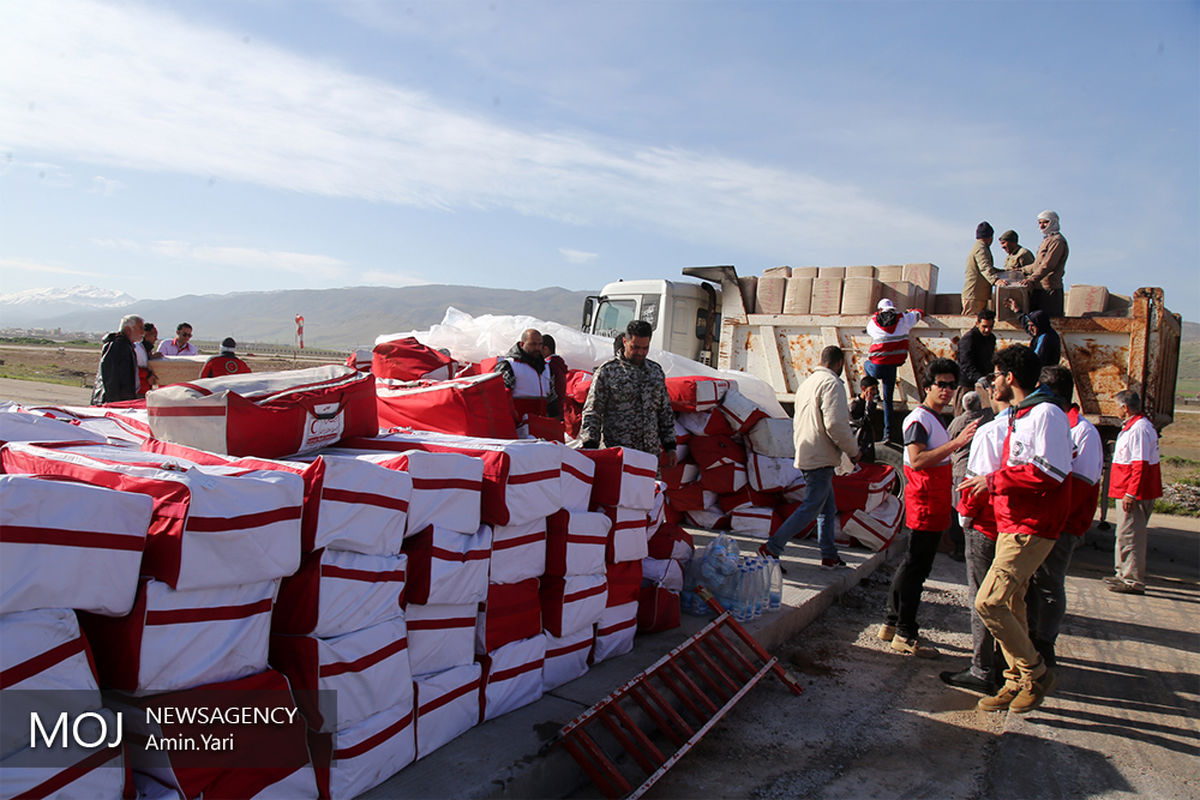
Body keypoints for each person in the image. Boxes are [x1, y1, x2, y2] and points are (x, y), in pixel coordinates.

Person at [960, 344, 1072, 714]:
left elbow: (1050, 473)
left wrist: (991, 482)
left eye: (995, 375)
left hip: (1032, 525)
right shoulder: (1018, 416)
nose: (991, 383)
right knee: (1011, 603)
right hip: (1012, 523)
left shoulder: (1047, 415)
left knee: (987, 601)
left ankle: (1035, 672)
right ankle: (1015, 681)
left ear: (1010, 377)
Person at [878, 358, 978, 657]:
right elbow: (918, 459)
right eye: (941, 385)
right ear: (928, 387)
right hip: (923, 503)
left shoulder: (933, 418)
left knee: (913, 565)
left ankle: (892, 623)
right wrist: (957, 443)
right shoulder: (919, 420)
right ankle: (905, 633)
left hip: (932, 503)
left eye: (951, 386)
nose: (946, 391)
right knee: (916, 570)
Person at [1025, 365, 1103, 666]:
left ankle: (1045, 643)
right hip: (1046, 521)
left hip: (1062, 524)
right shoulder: (1057, 425)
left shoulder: (1082, 432)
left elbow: (1082, 486)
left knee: (1049, 582)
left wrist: (1054, 519)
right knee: (1035, 581)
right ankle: (1033, 635)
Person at [759, 346, 860, 570]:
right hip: (820, 455)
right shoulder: (832, 384)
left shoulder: (807, 383)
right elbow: (835, 424)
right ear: (838, 364)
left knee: (826, 507)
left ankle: (829, 554)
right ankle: (772, 548)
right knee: (811, 507)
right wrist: (853, 451)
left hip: (808, 450)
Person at [942, 377, 1011, 693]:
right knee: (1007, 598)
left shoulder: (990, 431)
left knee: (980, 597)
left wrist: (963, 522)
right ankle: (1006, 663)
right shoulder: (1027, 428)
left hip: (984, 524)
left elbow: (972, 488)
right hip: (1010, 527)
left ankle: (982, 669)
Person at [580, 320, 677, 469]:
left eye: (645, 348)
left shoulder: (655, 372)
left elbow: (664, 412)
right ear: (625, 341)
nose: (640, 352)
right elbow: (593, 412)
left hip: (649, 457)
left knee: (649, 493)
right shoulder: (607, 372)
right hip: (618, 457)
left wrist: (670, 447)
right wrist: (590, 447)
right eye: (635, 347)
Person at [1105, 389, 1162, 595]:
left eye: (1118, 406)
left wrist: (1131, 493)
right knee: (1124, 533)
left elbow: (1140, 464)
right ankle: (1122, 573)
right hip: (1127, 489)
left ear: (1125, 408)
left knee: (1131, 535)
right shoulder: (1134, 427)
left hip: (1132, 492)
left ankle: (1132, 580)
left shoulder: (1139, 429)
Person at [945, 387, 994, 560]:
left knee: (959, 509)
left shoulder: (958, 422)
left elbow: (947, 441)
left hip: (960, 471)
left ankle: (959, 547)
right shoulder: (988, 418)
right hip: (980, 472)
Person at [865, 298, 923, 441]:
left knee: (867, 364)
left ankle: (874, 391)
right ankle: (888, 433)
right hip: (893, 363)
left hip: (878, 366)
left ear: (880, 310)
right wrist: (911, 311)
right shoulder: (904, 318)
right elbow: (919, 313)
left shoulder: (873, 322)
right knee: (888, 401)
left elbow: (869, 331)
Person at [494, 328, 556, 418]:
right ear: (522, 344)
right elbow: (500, 398)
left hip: (541, 425)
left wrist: (555, 419)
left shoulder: (546, 368)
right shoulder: (508, 366)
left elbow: (552, 397)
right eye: (533, 344)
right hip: (518, 425)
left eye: (540, 344)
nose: (537, 348)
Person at [1021, 210, 1069, 317]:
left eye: (1045, 222)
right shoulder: (1046, 240)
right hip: (1039, 289)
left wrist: (1031, 279)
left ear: (1053, 222)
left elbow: (1048, 265)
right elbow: (1037, 265)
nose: (1042, 226)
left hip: (1050, 290)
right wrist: (1022, 270)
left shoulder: (1057, 241)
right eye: (1040, 223)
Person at [91, 314, 144, 405]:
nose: (143, 332)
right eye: (140, 328)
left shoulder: (127, 346)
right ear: (128, 329)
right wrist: (118, 404)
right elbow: (111, 379)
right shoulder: (118, 346)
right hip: (111, 402)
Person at [1006, 298, 1061, 367]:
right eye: (1029, 325)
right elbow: (1026, 324)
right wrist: (1017, 310)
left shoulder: (1046, 338)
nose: (1030, 329)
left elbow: (1036, 359)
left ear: (1039, 324)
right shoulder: (1041, 332)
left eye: (1032, 326)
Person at [962, 221, 1001, 316]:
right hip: (975, 296)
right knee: (971, 324)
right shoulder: (981, 249)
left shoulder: (980, 247)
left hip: (978, 295)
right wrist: (996, 280)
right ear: (990, 237)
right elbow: (984, 267)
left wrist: (1003, 272)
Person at [957, 309, 997, 390]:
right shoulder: (969, 339)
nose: (987, 330)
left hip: (983, 382)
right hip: (967, 384)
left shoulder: (991, 338)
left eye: (990, 327)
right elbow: (965, 363)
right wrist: (979, 378)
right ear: (977, 324)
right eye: (984, 326)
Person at [848, 375, 879, 463]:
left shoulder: (869, 404)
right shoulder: (855, 405)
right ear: (864, 389)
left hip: (868, 446)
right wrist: (869, 405)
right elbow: (863, 423)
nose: (875, 392)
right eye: (872, 389)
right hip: (859, 447)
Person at [541, 334, 568, 420]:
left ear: (545, 349)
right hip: (559, 410)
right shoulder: (558, 364)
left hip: (551, 411)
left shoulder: (549, 366)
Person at [136, 322, 161, 396]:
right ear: (146, 334)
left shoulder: (145, 349)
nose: (156, 339)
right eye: (154, 335)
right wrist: (148, 375)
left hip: (145, 389)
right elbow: (132, 368)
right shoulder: (137, 348)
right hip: (138, 390)